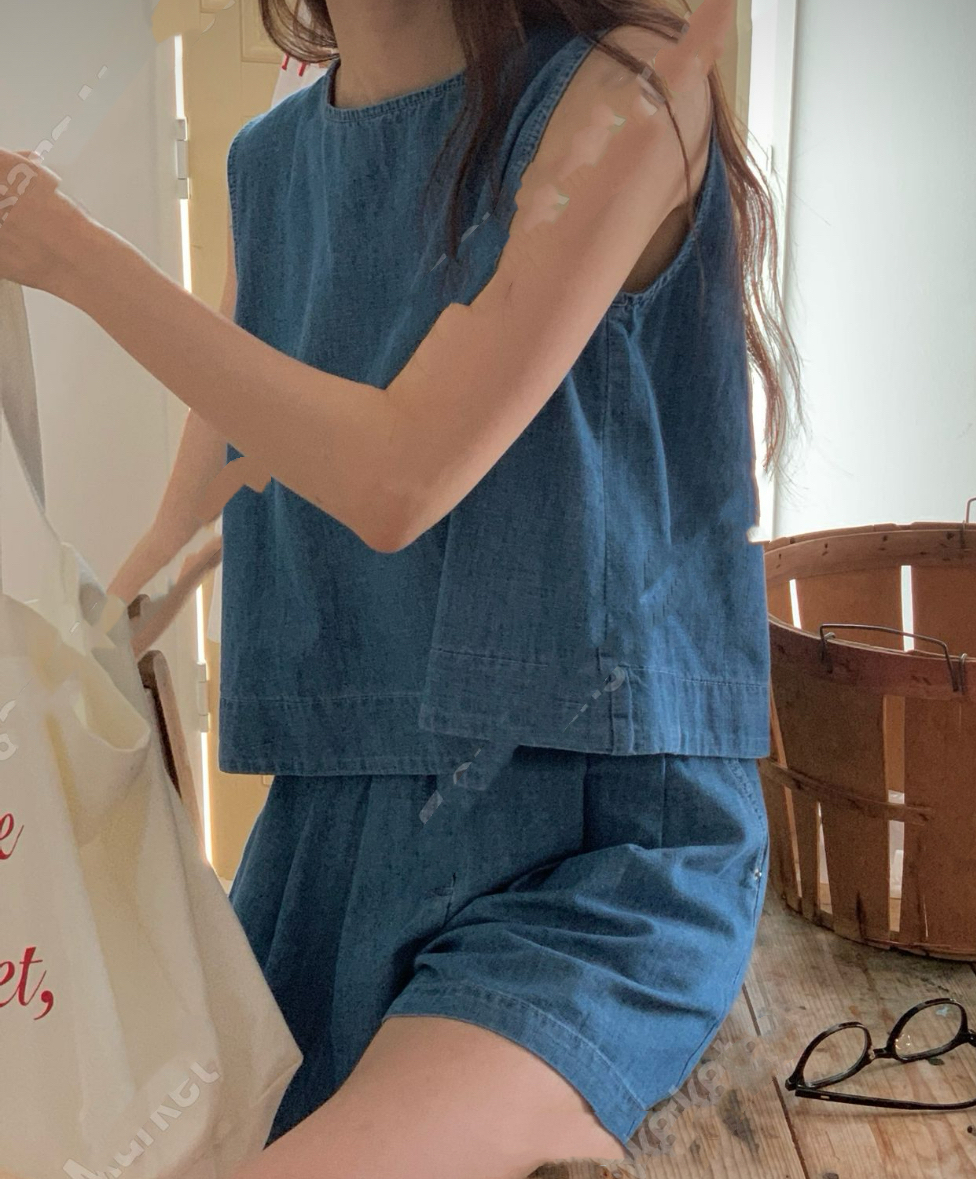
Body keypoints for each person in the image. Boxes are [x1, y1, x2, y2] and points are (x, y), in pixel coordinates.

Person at [0, 0, 803, 1174]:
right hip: (333, 850)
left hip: (595, 857)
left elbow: (403, 475)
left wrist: (68, 253)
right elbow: (207, 494)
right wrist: (66, 680)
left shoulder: (625, 94)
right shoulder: (274, 159)